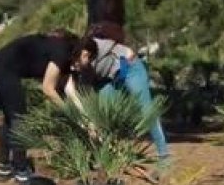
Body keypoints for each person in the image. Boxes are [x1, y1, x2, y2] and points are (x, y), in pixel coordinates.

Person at [70, 30, 171, 172]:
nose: (75, 66)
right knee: (102, 114)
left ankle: (164, 157)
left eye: (77, 62)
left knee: (146, 111)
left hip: (130, 68)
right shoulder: (83, 57)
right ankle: (105, 157)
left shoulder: (100, 47)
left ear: (85, 54)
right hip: (111, 78)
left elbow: (119, 56)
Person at [0, 31, 75, 184]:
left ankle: (4, 168)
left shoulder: (51, 47)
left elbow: (67, 87)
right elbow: (48, 88)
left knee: (10, 118)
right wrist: (68, 111)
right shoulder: (62, 50)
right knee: (20, 119)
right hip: (4, 71)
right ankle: (21, 171)